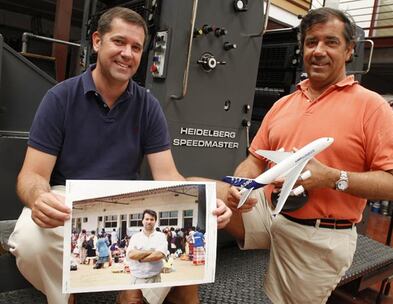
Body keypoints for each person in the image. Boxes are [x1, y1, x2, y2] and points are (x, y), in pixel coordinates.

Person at [7, 6, 231, 304]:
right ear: (97, 41)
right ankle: (64, 297)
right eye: (119, 42)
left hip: (127, 201)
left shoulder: (147, 106)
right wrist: (39, 198)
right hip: (68, 196)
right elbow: (32, 175)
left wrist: (202, 204)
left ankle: (133, 294)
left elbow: (168, 175)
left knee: (175, 255)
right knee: (30, 242)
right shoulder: (60, 98)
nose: (128, 53)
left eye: (136, 47)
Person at [222, 7, 393, 304]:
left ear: (349, 50)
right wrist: (242, 183)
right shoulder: (284, 104)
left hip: (318, 235)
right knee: (200, 194)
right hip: (270, 212)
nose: (318, 51)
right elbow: (255, 159)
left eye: (331, 42)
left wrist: (332, 178)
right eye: (311, 42)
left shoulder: (372, 107)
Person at [126, 210, 168, 285]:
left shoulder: (161, 236)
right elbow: (131, 255)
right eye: (147, 219)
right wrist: (151, 251)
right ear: (142, 221)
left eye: (152, 219)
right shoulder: (135, 237)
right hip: (137, 278)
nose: (149, 222)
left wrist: (140, 258)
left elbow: (159, 255)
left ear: (155, 221)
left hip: (155, 278)